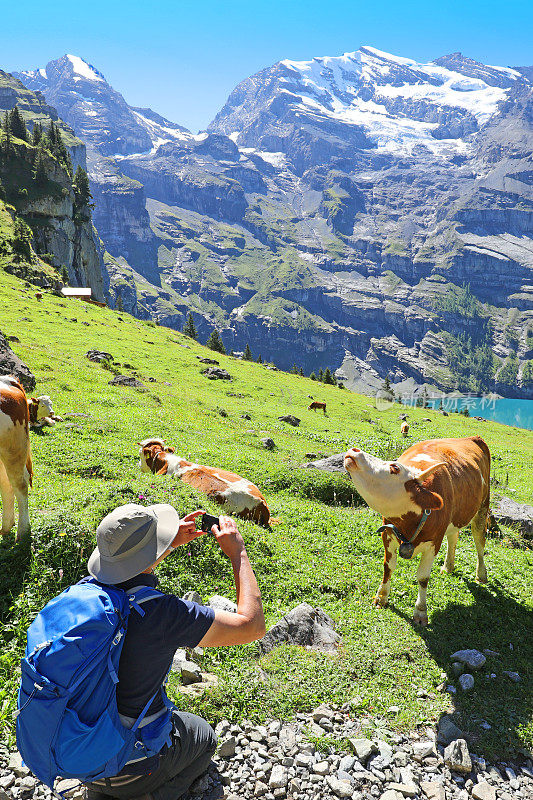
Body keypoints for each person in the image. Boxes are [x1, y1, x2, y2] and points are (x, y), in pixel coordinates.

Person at [84, 503, 266, 800]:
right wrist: (239, 553)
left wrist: (164, 545)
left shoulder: (84, 596)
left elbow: (127, 572)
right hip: (132, 768)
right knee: (203, 736)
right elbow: (253, 625)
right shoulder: (162, 614)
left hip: (78, 753)